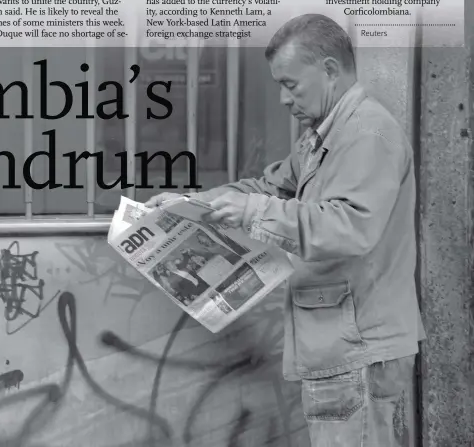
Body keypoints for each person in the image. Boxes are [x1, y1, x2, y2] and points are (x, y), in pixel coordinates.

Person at [145, 14, 425, 447]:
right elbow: (269, 186)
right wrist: (192, 204)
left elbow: (350, 227)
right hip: (339, 341)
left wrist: (254, 210)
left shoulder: (367, 134)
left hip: (358, 346)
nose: (282, 99)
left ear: (330, 70)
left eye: (291, 84)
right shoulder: (321, 136)